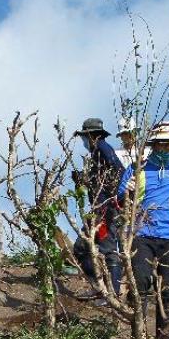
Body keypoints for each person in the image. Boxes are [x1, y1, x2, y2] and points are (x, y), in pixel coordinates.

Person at [117, 122, 169, 339]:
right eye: (162, 144)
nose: (166, 149)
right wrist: (126, 191)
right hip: (141, 234)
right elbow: (119, 201)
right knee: (140, 284)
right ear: (154, 145)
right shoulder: (135, 169)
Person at [70, 117, 125, 301]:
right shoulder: (96, 155)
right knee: (80, 247)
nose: (84, 142)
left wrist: (114, 198)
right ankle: (100, 287)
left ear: (92, 136)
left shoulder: (102, 148)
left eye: (86, 138)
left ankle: (112, 293)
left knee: (108, 249)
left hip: (105, 211)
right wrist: (83, 180)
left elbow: (119, 171)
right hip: (98, 210)